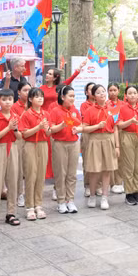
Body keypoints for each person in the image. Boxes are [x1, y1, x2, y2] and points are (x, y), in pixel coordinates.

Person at [81, 84, 120, 210]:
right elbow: (84, 128)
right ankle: (92, 195)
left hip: (108, 140)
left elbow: (115, 128)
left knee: (107, 170)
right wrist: (97, 126)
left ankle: (104, 197)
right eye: (98, 92)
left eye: (103, 91)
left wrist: (117, 146)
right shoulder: (89, 110)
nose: (102, 94)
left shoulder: (112, 109)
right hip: (95, 141)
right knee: (94, 170)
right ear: (93, 96)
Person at [0, 88, 22, 228]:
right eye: (4, 99)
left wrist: (14, 129)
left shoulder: (16, 116)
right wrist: (8, 127)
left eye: (10, 99)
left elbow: (20, 137)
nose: (7, 102)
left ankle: (11, 212)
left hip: (13, 147)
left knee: (13, 181)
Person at [18, 88, 51, 220]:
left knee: (40, 176)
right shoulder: (26, 114)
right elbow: (24, 134)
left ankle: (38, 204)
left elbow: (48, 133)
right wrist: (38, 127)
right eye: (37, 97)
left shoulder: (46, 114)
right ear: (30, 99)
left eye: (41, 97)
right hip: (30, 145)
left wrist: (48, 128)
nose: (40, 99)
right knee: (30, 175)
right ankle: (29, 206)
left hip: (43, 144)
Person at [49, 85, 82, 214]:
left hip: (73, 143)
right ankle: (61, 201)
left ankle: (70, 200)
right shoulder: (55, 111)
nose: (73, 99)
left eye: (74, 96)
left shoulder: (75, 110)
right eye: (70, 96)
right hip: (60, 144)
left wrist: (77, 129)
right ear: (62, 97)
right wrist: (61, 125)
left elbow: (80, 125)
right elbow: (51, 129)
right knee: (60, 173)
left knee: (72, 174)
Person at [115, 85, 138, 206]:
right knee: (129, 166)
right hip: (127, 136)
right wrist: (131, 121)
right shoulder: (123, 108)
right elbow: (120, 125)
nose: (133, 95)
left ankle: (136, 191)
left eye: (135, 93)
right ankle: (129, 193)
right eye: (130, 93)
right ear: (126, 96)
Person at [11, 80, 31, 208]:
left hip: (31, 139)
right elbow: (16, 123)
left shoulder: (34, 105)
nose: (28, 93)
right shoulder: (14, 106)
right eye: (25, 90)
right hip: (19, 139)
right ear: (19, 92)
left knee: (29, 167)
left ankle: (29, 194)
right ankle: (20, 194)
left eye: (30, 90)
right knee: (18, 169)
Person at [106, 83, 124, 194]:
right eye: (110, 90)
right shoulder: (106, 104)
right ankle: (111, 183)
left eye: (115, 90)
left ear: (118, 91)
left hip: (121, 132)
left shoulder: (123, 104)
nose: (113, 92)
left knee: (120, 158)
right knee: (111, 158)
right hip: (109, 132)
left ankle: (119, 182)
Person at [80, 82, 96, 196]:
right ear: (86, 92)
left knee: (99, 161)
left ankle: (98, 185)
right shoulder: (84, 105)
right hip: (87, 134)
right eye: (90, 89)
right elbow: (88, 119)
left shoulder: (103, 104)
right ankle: (88, 185)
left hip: (98, 135)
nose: (93, 91)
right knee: (87, 160)